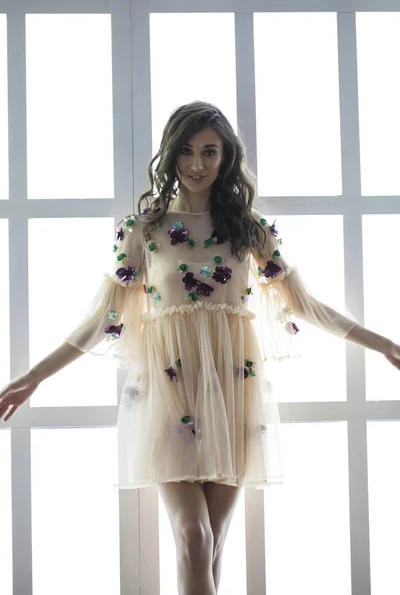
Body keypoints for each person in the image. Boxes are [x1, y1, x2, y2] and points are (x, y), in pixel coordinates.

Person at [1, 101, 400, 595]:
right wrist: (32, 377)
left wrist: (384, 344)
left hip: (233, 394)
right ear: (169, 157)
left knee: (210, 550)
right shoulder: (144, 232)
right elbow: (100, 322)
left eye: (209, 152)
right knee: (193, 537)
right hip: (169, 399)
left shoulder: (247, 231)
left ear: (226, 156)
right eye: (186, 152)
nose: (196, 164)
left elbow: (307, 305)